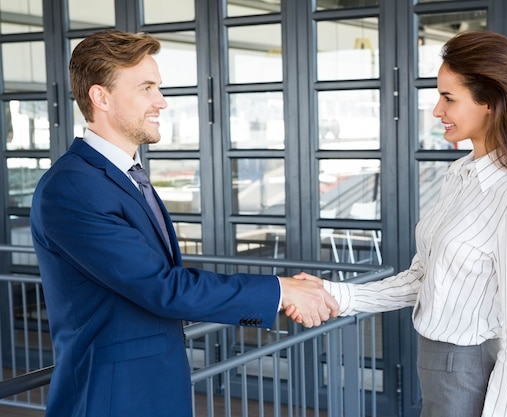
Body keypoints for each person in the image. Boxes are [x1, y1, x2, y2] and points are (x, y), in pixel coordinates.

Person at [30, 29, 338, 417]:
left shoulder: (126, 176)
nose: (161, 101)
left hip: (153, 390)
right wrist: (280, 291)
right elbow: (162, 287)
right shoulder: (72, 186)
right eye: (146, 88)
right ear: (100, 97)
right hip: (110, 399)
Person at [288, 30, 507, 417]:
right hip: (436, 364)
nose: (437, 111)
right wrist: (336, 294)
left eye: (448, 98)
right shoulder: (459, 174)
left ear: (490, 102)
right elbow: (421, 279)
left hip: (467, 370)